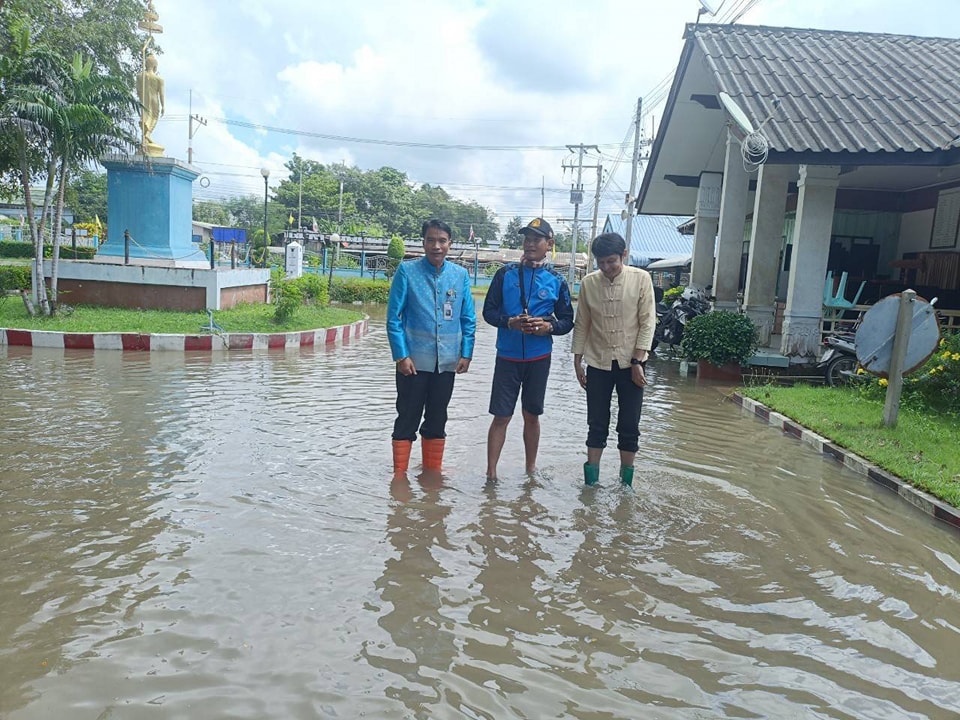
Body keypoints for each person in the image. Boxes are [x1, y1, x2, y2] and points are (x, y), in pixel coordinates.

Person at [482, 217, 574, 480]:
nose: (530, 244)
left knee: (532, 415)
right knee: (501, 416)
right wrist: (509, 322)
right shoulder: (505, 274)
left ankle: (530, 470)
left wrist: (548, 327)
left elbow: (567, 320)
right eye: (527, 239)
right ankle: (491, 474)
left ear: (549, 244)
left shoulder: (557, 280)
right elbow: (488, 312)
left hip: (539, 358)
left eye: (537, 239)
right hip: (507, 357)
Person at [387, 219, 476, 476]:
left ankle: (432, 475)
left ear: (450, 244)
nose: (436, 246)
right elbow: (394, 318)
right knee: (407, 417)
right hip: (413, 363)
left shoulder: (459, 275)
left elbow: (468, 318)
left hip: (447, 362)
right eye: (430, 240)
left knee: (438, 418)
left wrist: (466, 353)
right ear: (423, 242)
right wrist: (401, 355)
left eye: (442, 241)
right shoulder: (407, 271)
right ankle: (399, 478)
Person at [572, 232, 656, 486]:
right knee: (596, 423)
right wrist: (577, 361)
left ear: (624, 256)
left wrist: (638, 361)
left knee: (629, 424)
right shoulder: (589, 283)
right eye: (602, 262)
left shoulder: (641, 279)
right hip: (598, 362)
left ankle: (625, 483)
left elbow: (647, 321)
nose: (606, 268)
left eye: (612, 261)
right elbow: (582, 322)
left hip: (632, 363)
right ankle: (591, 483)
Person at [137, 54, 165, 153]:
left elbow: (138, 90)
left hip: (144, 99)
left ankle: (146, 135)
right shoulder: (158, 79)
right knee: (154, 117)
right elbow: (161, 93)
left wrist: (142, 98)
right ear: (155, 66)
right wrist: (163, 106)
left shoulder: (140, 76)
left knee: (146, 116)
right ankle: (147, 134)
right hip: (154, 100)